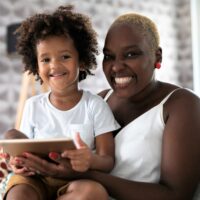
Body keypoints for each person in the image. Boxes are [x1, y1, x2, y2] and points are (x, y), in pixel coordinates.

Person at [4, 12, 200, 200]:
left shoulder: (182, 104)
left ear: (157, 57)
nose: (116, 66)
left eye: (131, 54)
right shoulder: (104, 98)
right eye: (109, 56)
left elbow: (177, 195)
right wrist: (17, 161)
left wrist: (80, 173)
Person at [2, 5, 120, 200]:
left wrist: (90, 160)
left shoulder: (95, 105)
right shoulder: (33, 105)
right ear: (36, 65)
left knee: (93, 192)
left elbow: (108, 160)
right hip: (36, 178)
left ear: (81, 61)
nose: (55, 65)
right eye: (45, 59)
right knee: (18, 186)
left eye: (65, 57)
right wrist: (18, 161)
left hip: (75, 180)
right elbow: (23, 148)